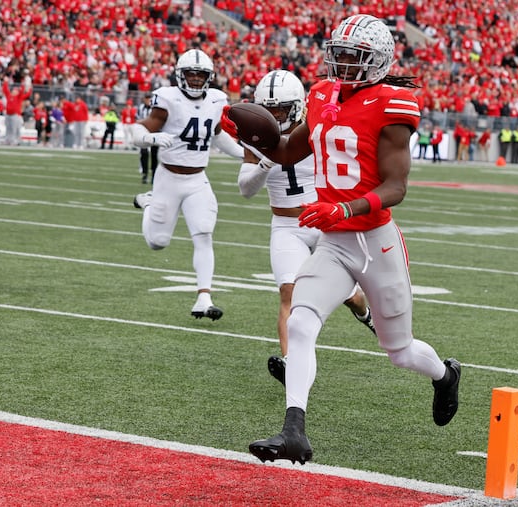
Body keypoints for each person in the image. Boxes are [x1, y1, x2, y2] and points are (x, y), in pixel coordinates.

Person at [222, 15, 460, 464]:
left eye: (354, 57)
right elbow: (291, 150)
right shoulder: (322, 93)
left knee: (401, 351)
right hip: (332, 241)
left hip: (375, 241)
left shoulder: (392, 103)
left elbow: (396, 187)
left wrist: (343, 208)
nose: (343, 63)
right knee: (299, 321)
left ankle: (444, 375)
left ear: (378, 61)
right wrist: (252, 137)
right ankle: (294, 430)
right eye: (340, 54)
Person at [237, 70, 377, 385]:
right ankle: (291, 365)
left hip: (323, 222)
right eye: (269, 111)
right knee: (290, 293)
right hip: (286, 226)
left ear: (298, 106)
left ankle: (367, 316)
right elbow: (245, 189)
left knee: (351, 298)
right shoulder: (256, 136)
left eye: (281, 110)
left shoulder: (316, 128)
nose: (275, 117)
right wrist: (267, 161)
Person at [131, 48, 244, 320]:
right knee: (157, 242)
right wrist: (150, 139)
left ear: (209, 77)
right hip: (168, 178)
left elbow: (217, 136)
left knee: (204, 233)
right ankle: (147, 202)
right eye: (190, 75)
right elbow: (139, 129)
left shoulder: (217, 100)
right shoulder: (168, 99)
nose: (195, 80)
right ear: (180, 75)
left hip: (197, 179)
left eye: (200, 75)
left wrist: (244, 154)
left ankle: (204, 298)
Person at [137, 92, 158, 184]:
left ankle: (154, 175)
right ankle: (145, 174)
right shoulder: (141, 108)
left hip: (154, 132)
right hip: (144, 133)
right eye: (146, 98)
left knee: (154, 155)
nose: (148, 100)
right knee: (144, 153)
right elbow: (137, 119)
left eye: (149, 99)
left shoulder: (156, 108)